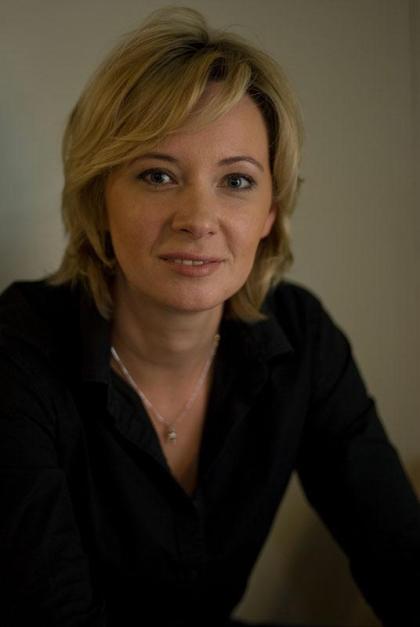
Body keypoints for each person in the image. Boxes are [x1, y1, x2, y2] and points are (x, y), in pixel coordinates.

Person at [0, 6, 419, 627]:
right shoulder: (16, 349)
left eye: (237, 181)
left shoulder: (301, 336)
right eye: (157, 175)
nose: (198, 219)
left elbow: (400, 556)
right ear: (98, 197)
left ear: (271, 211)